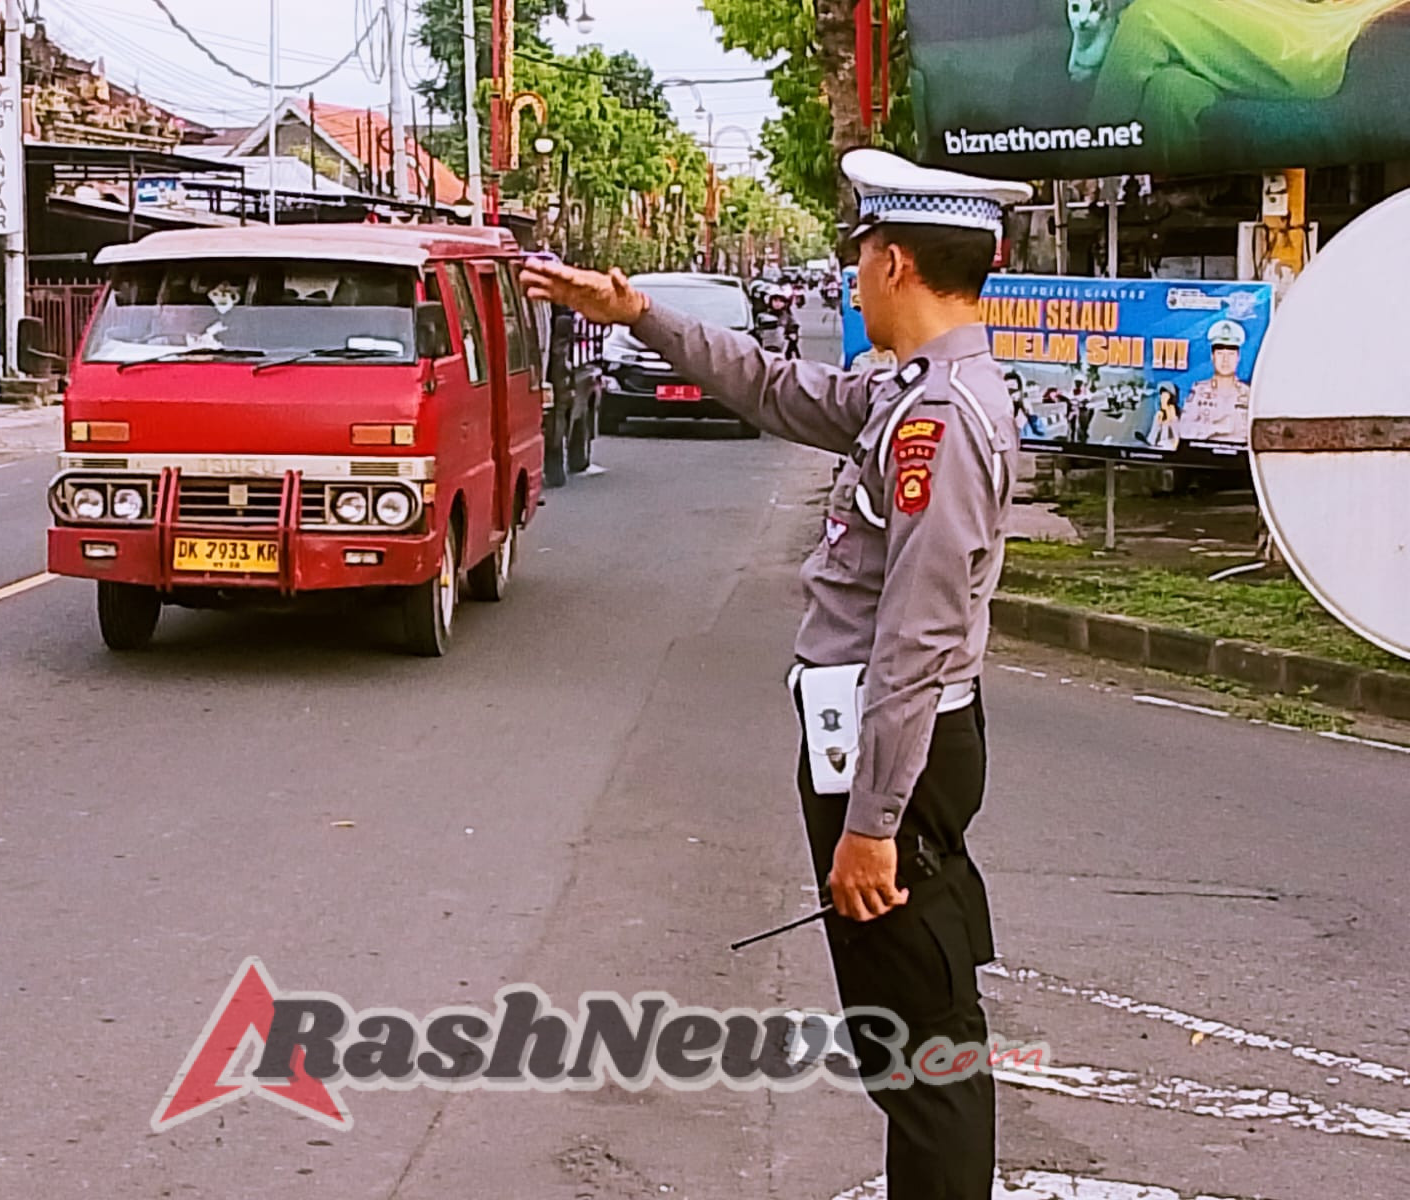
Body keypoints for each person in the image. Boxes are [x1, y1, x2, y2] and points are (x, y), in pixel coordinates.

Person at [522, 149, 1031, 1200]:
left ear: (891, 262)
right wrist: (638, 313)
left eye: (858, 259)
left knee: (923, 1049)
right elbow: (774, 388)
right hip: (885, 750)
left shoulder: (939, 420)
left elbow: (915, 638)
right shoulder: (914, 393)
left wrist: (874, 821)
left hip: (897, 759)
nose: (850, 279)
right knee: (906, 1037)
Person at [1087, 0, 1410, 170]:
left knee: (1149, 17)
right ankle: (1167, 201)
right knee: (1170, 91)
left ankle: (1086, 153)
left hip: (1322, 36)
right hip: (1297, 15)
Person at [1177, 319, 1252, 443]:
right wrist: (1216, 428)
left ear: (1238, 357)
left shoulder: (1249, 394)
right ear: (1212, 357)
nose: (1225, 360)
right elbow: (1184, 429)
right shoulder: (1199, 391)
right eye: (1220, 354)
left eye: (1231, 354)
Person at [1137, 380, 1182, 450]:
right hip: (1160, 445)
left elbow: (1177, 433)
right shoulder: (1160, 413)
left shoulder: (1173, 412)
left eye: (1165, 395)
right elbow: (1154, 431)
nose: (1162, 398)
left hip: (1170, 446)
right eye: (1161, 395)